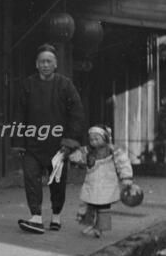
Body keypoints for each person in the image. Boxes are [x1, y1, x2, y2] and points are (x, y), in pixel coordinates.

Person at [12, 44, 85, 234]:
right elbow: (19, 114)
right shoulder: (28, 85)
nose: (45, 65)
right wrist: (19, 141)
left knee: (57, 182)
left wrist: (69, 142)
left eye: (49, 61)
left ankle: (56, 216)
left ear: (55, 64)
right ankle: (36, 216)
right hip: (32, 144)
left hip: (57, 146)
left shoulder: (65, 85)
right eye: (41, 62)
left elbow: (76, 114)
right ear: (36, 64)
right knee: (31, 179)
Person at [69, 125, 133, 237]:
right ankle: (90, 225)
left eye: (96, 139)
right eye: (91, 139)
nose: (93, 142)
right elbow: (79, 157)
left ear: (105, 138)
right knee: (90, 205)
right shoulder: (88, 150)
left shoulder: (113, 150)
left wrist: (126, 177)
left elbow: (123, 163)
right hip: (92, 183)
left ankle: (100, 228)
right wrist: (73, 155)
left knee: (103, 207)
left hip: (106, 183)